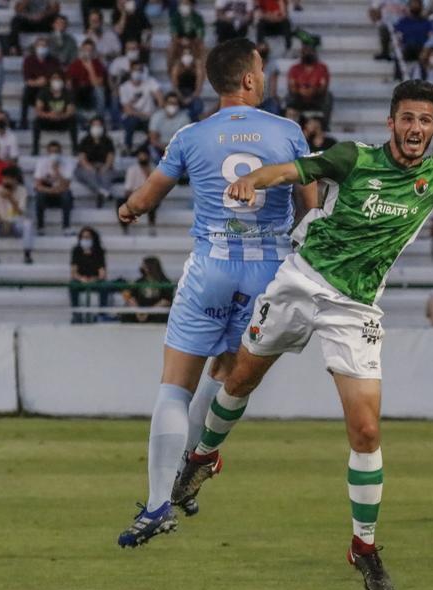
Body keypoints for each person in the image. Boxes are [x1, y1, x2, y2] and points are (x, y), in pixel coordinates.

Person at [170, 80, 433, 590]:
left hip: (354, 309)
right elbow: (295, 170)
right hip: (299, 282)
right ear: (391, 123)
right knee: (239, 379)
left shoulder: (432, 180)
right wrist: (255, 179)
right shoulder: (355, 157)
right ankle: (205, 456)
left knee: (368, 429)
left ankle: (364, 546)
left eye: (425, 121)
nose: (416, 128)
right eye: (407, 119)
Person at [114, 38, 318, 550]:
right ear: (249, 79)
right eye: (263, 68)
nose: (265, 75)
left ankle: (159, 501)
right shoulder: (287, 132)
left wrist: (128, 210)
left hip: (211, 267)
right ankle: (193, 463)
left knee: (173, 388)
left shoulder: (191, 135)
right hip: (268, 274)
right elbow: (311, 207)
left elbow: (145, 197)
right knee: (226, 373)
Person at [19, 36, 61, 130]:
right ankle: (23, 121)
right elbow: (27, 80)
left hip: (48, 89)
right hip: (33, 90)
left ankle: (46, 122)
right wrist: (38, 82)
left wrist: (45, 82)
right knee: (26, 91)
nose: (42, 48)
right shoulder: (28, 60)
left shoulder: (54, 61)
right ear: (35, 47)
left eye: (44, 46)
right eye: (40, 45)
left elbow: (57, 77)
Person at [118, 61, 161, 153]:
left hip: (149, 117)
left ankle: (144, 149)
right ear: (130, 71)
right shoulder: (124, 87)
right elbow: (127, 109)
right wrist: (142, 114)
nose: (137, 72)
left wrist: (158, 113)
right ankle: (128, 147)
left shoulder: (150, 82)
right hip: (133, 117)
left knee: (154, 127)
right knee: (131, 120)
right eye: (135, 70)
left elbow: (160, 97)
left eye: (140, 70)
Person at [33, 140, 75, 234]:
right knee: (39, 195)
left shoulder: (67, 163)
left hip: (61, 195)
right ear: (48, 152)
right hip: (48, 193)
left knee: (67, 195)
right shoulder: (41, 162)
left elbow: (66, 186)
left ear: (61, 152)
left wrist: (57, 171)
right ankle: (40, 227)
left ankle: (66, 226)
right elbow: (38, 185)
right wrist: (51, 190)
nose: (54, 154)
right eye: (51, 151)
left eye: (56, 151)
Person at [286, 44, 331, 128]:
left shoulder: (322, 68)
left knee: (328, 96)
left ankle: (324, 126)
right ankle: (290, 127)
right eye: (305, 52)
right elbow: (292, 86)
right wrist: (300, 91)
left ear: (314, 53)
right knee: (288, 97)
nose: (307, 53)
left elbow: (323, 86)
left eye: (310, 51)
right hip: (299, 96)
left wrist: (313, 91)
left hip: (316, 96)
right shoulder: (295, 68)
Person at [120, 255, 174, 323]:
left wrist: (148, 312)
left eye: (144, 266)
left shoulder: (164, 282)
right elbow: (131, 297)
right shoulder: (139, 281)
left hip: (156, 311)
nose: (142, 267)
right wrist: (138, 312)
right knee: (126, 313)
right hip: (140, 310)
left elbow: (166, 300)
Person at [70, 225, 107, 323]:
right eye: (83, 237)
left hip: (95, 280)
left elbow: (102, 273)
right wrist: (82, 279)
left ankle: (102, 314)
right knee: (72, 285)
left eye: (87, 237)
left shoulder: (99, 251)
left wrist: (93, 280)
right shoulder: (76, 250)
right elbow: (74, 272)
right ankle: (76, 315)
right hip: (81, 280)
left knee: (104, 286)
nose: (85, 239)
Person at [76, 116, 116, 207]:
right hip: (87, 167)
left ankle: (100, 193)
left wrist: (105, 167)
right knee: (89, 174)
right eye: (94, 125)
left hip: (103, 166)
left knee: (106, 175)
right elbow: (82, 158)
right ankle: (103, 192)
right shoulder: (84, 140)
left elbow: (110, 157)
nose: (97, 127)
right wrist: (90, 168)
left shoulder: (108, 141)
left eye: (99, 125)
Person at [33, 73, 77, 154]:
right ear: (50, 80)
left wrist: (61, 116)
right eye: (54, 78)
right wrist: (48, 115)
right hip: (48, 120)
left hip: (62, 120)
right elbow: (38, 110)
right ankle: (35, 149)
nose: (56, 81)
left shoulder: (68, 93)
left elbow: (70, 111)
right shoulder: (43, 92)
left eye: (59, 79)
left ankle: (75, 149)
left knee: (73, 120)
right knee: (37, 121)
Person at [148, 93, 191, 159]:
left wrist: (170, 149)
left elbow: (183, 140)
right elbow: (153, 139)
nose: (172, 106)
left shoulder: (185, 118)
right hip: (159, 147)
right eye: (170, 103)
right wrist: (165, 148)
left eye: (175, 103)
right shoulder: (156, 116)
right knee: (151, 148)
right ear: (165, 104)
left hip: (176, 149)